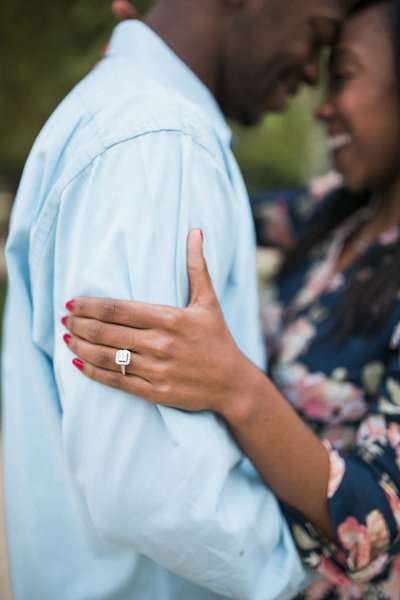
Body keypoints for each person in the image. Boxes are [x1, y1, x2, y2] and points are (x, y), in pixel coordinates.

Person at [1, 0, 353, 598]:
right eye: (317, 34)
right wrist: (308, 569)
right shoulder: (158, 142)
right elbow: (148, 487)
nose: (315, 76)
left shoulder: (128, 118)